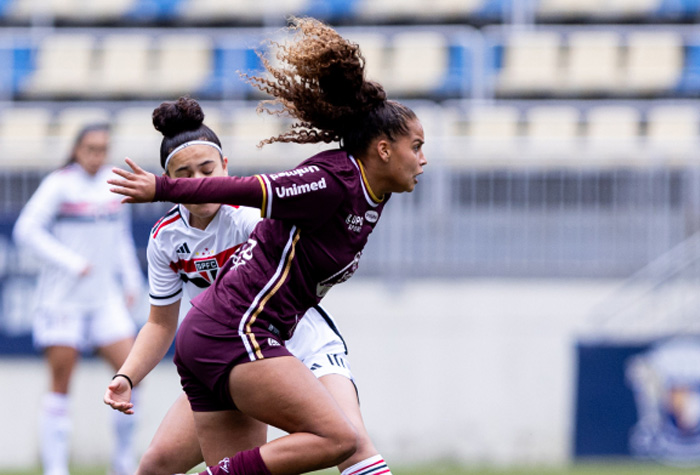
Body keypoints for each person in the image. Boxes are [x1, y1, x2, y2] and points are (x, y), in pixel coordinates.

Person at [108, 16, 426, 475]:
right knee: (340, 439)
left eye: (207, 170)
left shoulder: (366, 192)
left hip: (277, 333)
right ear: (382, 149)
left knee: (344, 446)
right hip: (240, 332)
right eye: (416, 146)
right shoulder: (327, 181)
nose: (423, 158)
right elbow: (162, 320)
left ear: (224, 162)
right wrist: (160, 188)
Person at [13, 123, 143, 475]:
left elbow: (120, 238)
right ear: (77, 148)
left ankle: (123, 464)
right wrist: (70, 262)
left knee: (131, 374)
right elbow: (26, 230)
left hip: (104, 300)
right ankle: (56, 469)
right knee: (61, 382)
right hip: (62, 302)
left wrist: (130, 279)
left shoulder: (114, 185)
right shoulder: (59, 183)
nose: (96, 155)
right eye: (90, 148)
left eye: (103, 148)